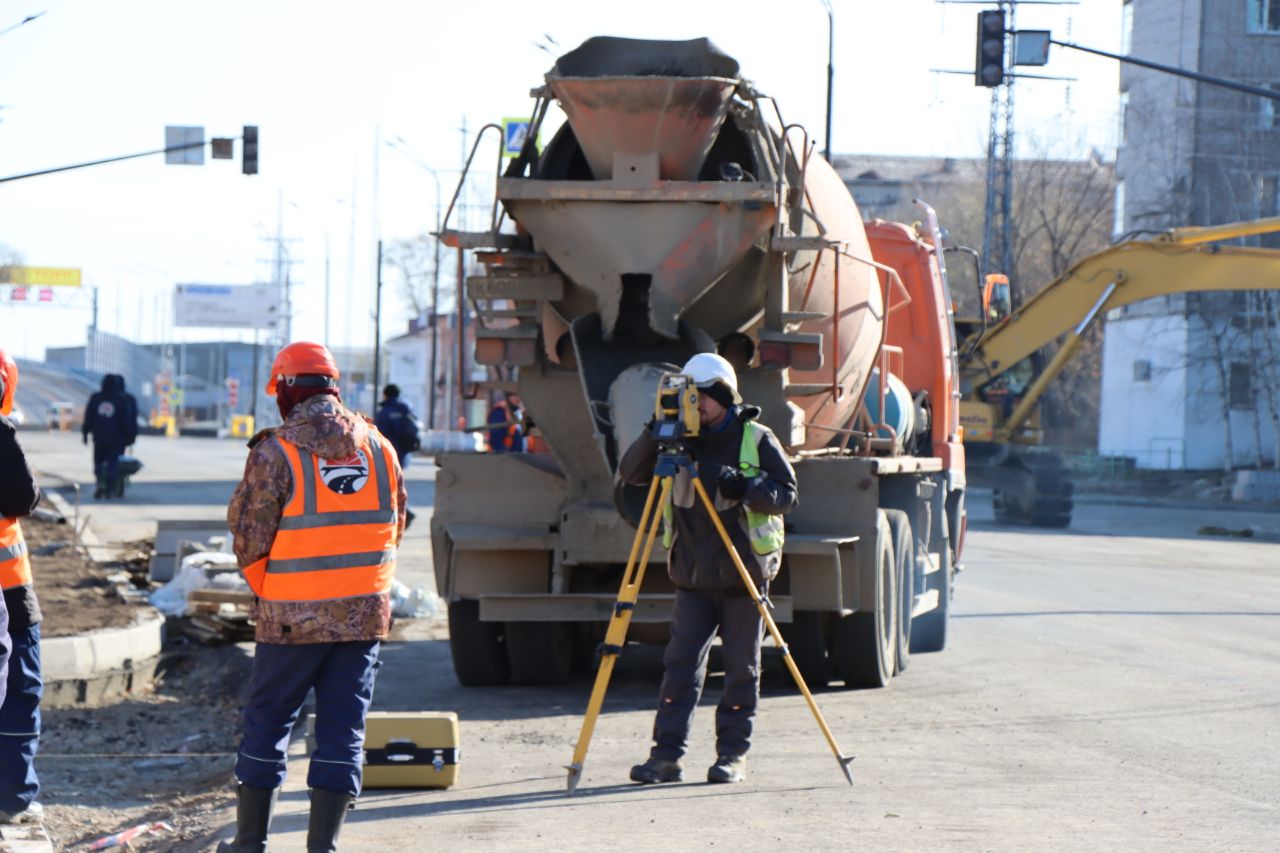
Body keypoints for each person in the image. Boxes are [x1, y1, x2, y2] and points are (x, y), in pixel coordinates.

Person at [220, 342, 407, 853]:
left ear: (285, 388)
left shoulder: (275, 451)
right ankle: (323, 846)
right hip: (363, 617)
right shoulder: (380, 446)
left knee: (269, 722)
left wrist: (272, 590)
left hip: (289, 620)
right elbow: (396, 523)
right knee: (343, 728)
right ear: (333, 386)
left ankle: (249, 843)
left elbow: (249, 537)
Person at [618, 352, 797, 785]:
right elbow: (630, 473)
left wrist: (748, 486)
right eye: (688, 397)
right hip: (693, 577)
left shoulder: (755, 437)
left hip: (743, 576)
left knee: (741, 671)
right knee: (679, 669)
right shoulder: (675, 438)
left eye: (701, 397)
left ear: (722, 395)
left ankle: (732, 755)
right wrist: (657, 427)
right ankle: (666, 758)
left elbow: (786, 494)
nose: (695, 405)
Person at [0, 349, 43, 824]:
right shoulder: (0, 435)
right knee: (19, 691)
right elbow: (21, 497)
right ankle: (11, 798)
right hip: (8, 589)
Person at [374, 384, 420, 527]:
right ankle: (403, 512)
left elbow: (378, 435)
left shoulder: (386, 411)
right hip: (405, 455)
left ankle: (405, 512)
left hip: (390, 455)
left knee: (387, 486)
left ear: (386, 395)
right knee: (395, 484)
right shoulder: (408, 408)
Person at [82, 374, 134, 499]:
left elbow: (89, 417)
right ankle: (110, 489)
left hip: (99, 438)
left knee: (98, 462)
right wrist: (130, 436)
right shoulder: (121, 400)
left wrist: (85, 433)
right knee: (113, 463)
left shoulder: (96, 398)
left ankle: (100, 484)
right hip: (116, 440)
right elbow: (126, 420)